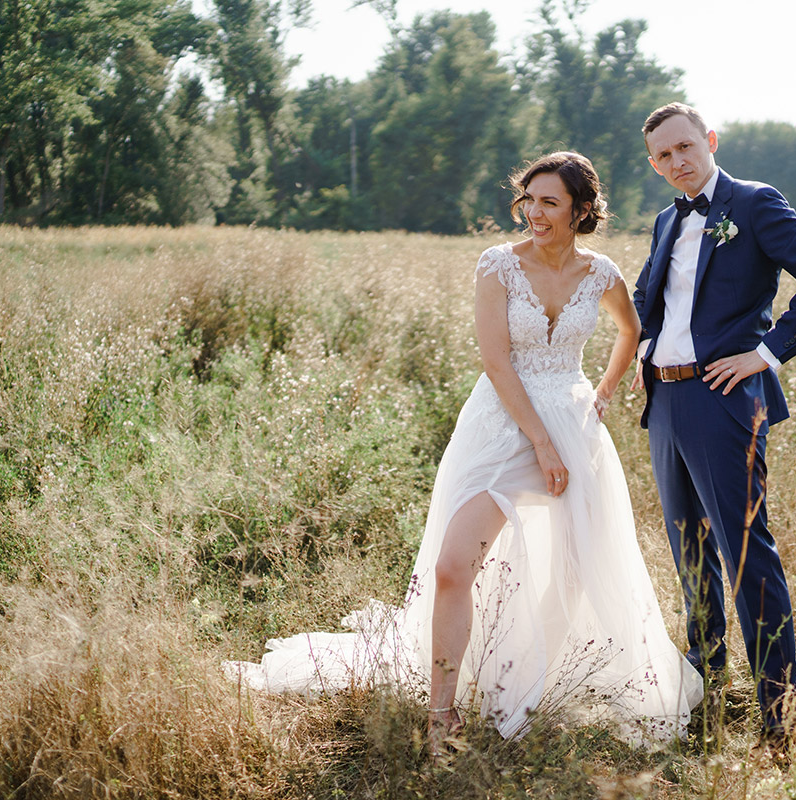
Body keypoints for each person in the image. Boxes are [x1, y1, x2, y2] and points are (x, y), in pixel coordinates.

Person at [227, 151, 702, 754]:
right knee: (454, 566)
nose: (534, 212)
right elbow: (498, 362)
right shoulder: (498, 266)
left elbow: (630, 332)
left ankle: (536, 679)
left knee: (580, 568)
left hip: (574, 427)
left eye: (549, 202)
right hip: (503, 426)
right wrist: (540, 441)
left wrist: (602, 394)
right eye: (528, 199)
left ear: (582, 210)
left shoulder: (601, 273)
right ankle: (441, 714)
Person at [631, 103, 796, 747]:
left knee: (747, 556)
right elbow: (652, 303)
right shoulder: (665, 220)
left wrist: (766, 353)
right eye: (664, 156)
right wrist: (643, 354)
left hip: (724, 400)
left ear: (710, 141)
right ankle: (705, 696)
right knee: (689, 556)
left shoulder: (753, 204)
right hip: (665, 406)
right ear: (654, 165)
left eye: (685, 147)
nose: (677, 162)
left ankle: (782, 717)